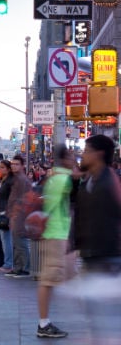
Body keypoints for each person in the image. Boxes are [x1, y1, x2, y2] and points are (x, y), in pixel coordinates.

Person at [72, 134, 121, 344]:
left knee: (106, 315)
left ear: (98, 154)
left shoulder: (110, 181)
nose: (82, 154)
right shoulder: (90, 179)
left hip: (107, 257)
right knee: (94, 312)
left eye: (86, 150)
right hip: (92, 255)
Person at [35, 144, 75, 339]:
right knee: (47, 279)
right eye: (72, 156)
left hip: (56, 233)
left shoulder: (55, 178)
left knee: (52, 278)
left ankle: (44, 321)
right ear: (65, 159)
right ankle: (43, 323)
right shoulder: (62, 179)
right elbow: (79, 179)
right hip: (54, 233)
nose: (75, 160)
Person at [6, 154, 32, 278]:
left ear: (22, 166)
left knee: (20, 242)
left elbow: (22, 200)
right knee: (16, 242)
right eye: (12, 164)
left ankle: (24, 268)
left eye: (16, 164)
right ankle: (17, 267)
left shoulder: (22, 180)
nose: (13, 166)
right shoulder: (17, 179)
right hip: (15, 215)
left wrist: (16, 214)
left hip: (20, 216)